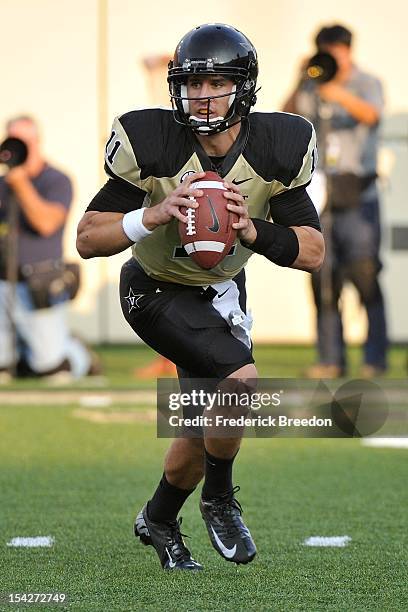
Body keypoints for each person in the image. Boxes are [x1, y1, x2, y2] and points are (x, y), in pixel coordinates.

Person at [77, 23, 324, 570]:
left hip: (221, 294)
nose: (202, 96)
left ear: (244, 88)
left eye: (216, 83)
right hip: (153, 290)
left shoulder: (278, 146)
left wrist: (255, 231)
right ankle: (219, 501)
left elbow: (312, 251)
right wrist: (151, 215)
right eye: (193, 84)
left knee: (198, 431)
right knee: (240, 382)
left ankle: (159, 518)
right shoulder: (154, 139)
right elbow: (88, 237)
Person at [283, 24, 388, 378]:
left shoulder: (366, 82)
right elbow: (286, 118)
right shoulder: (311, 84)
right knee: (322, 278)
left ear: (348, 50)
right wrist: (302, 79)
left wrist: (333, 88)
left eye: (337, 51)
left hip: (359, 195)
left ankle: (374, 359)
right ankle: (330, 359)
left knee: (365, 275)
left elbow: (370, 115)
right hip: (320, 195)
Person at [0, 116, 99, 381]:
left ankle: (77, 351)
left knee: (51, 370)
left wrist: (20, 184)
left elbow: (46, 223)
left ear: (37, 143)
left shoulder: (56, 180)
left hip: (39, 284)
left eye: (25, 142)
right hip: (2, 284)